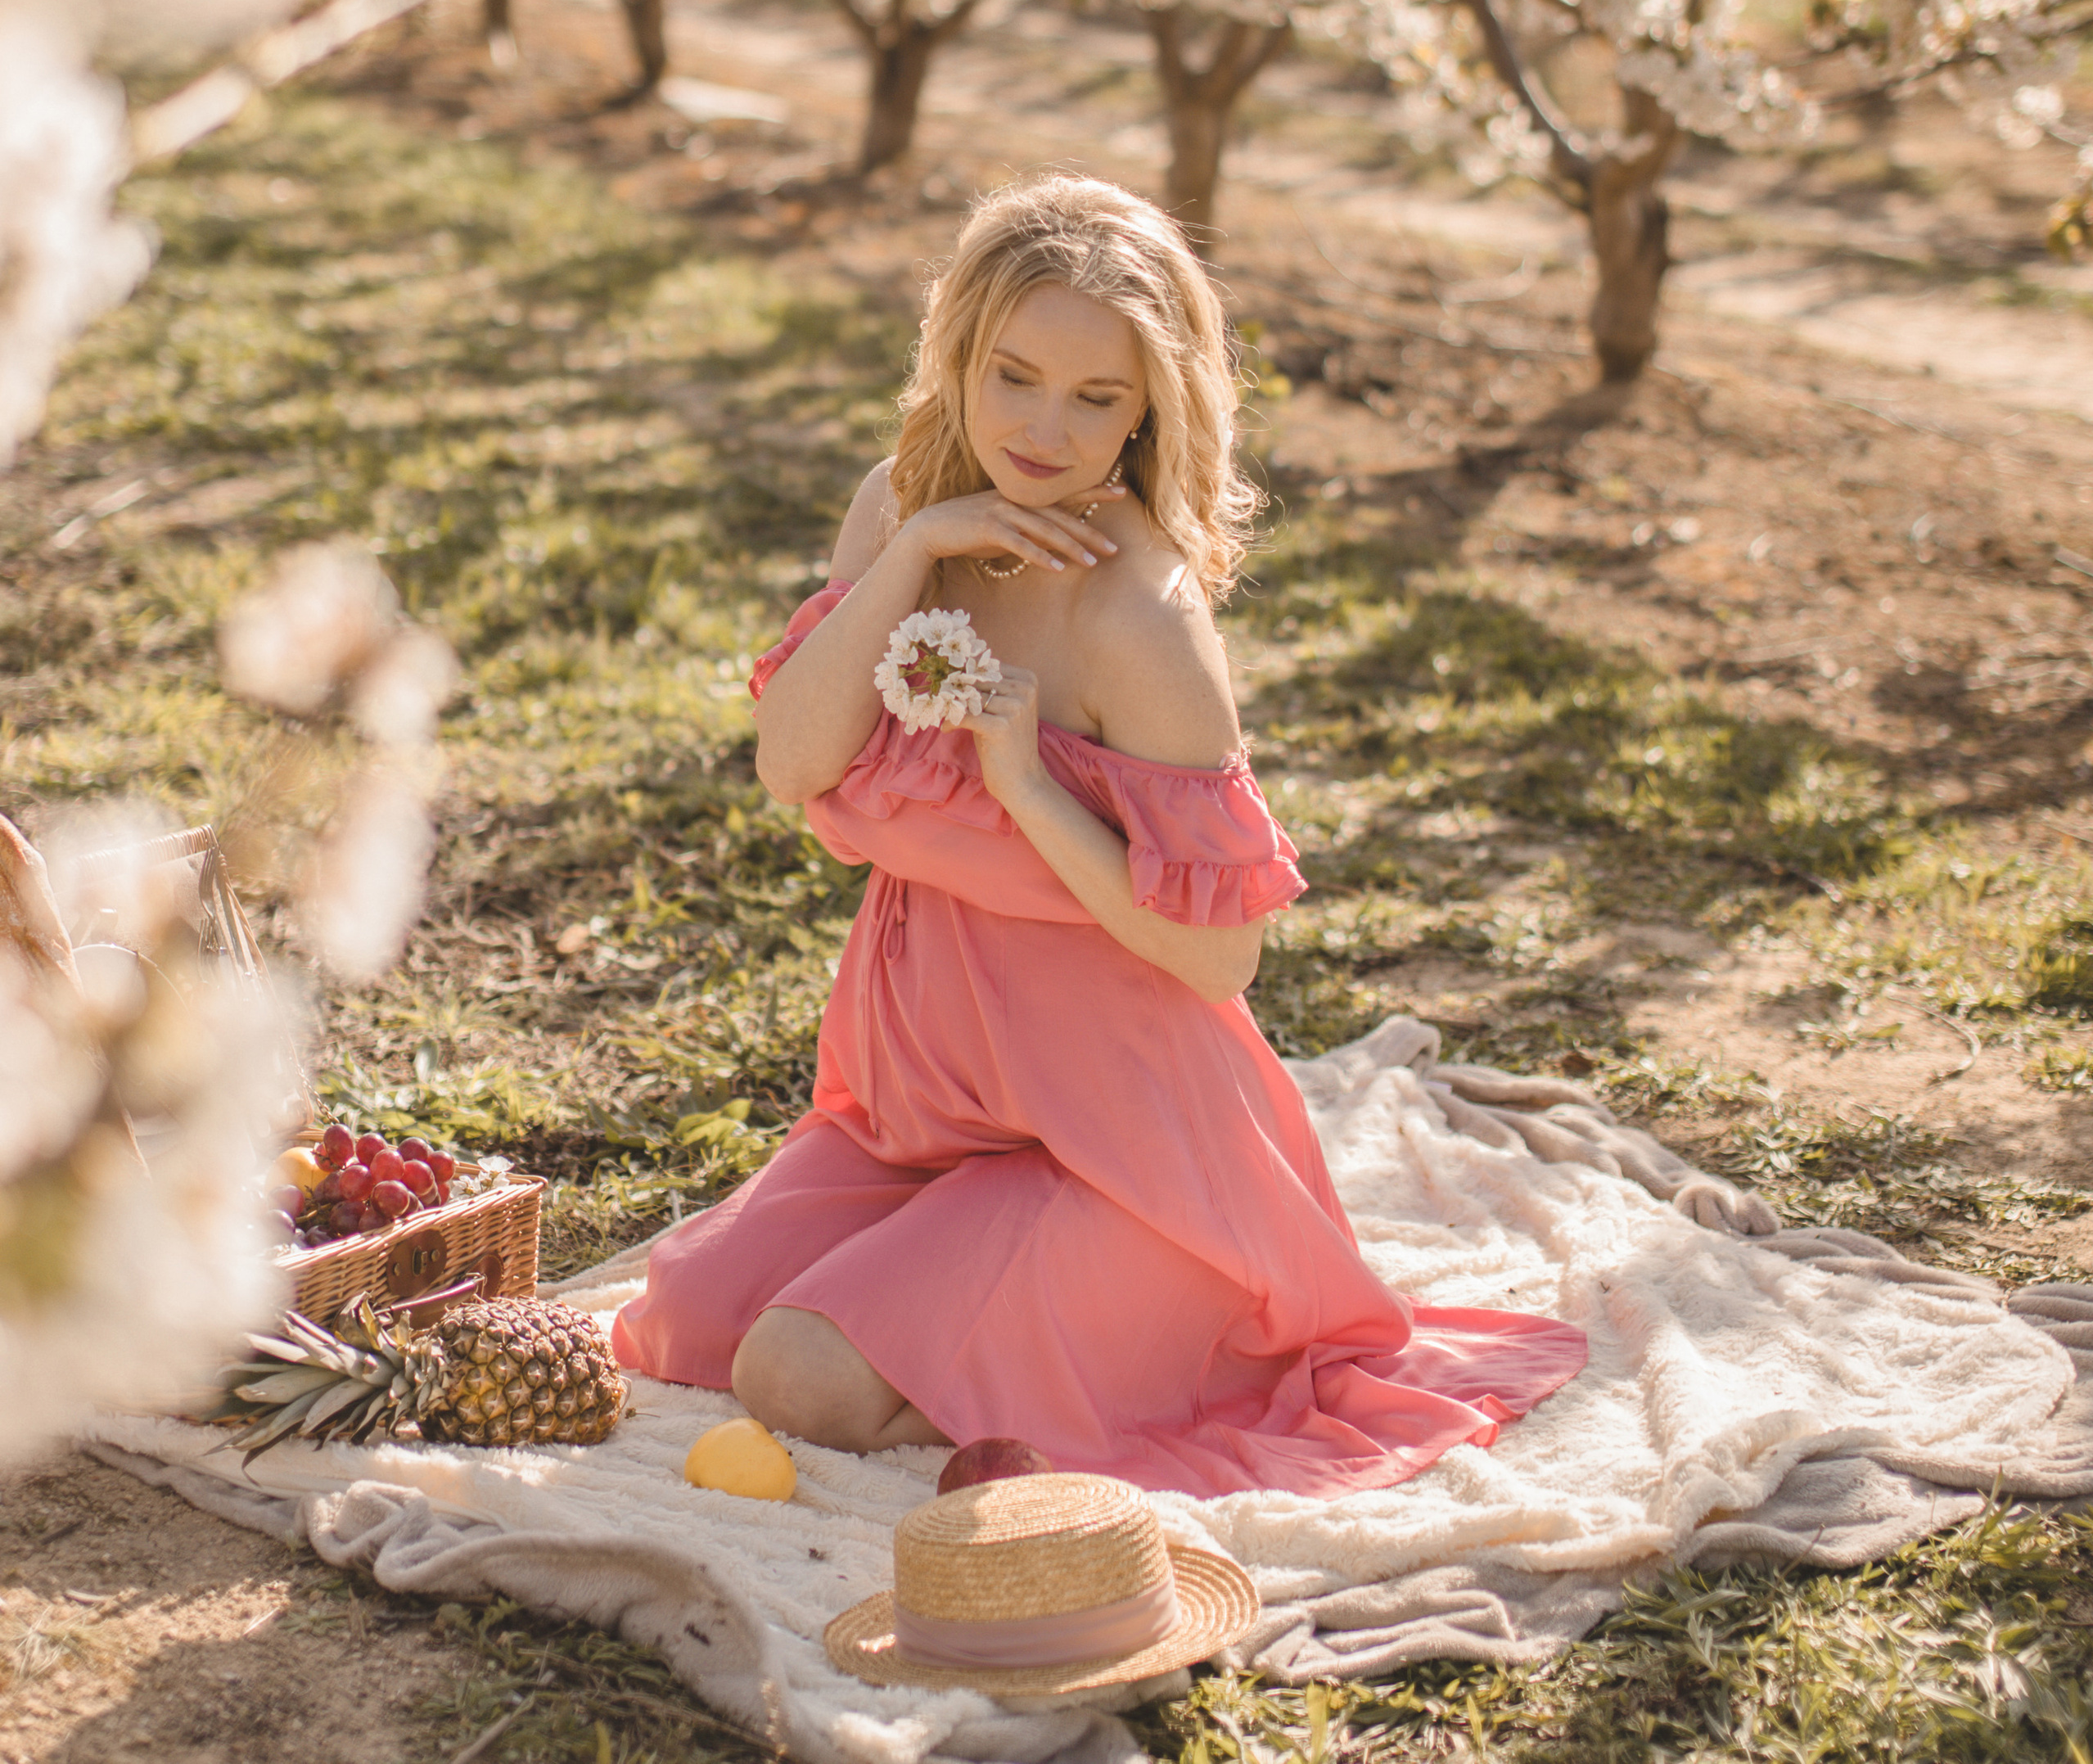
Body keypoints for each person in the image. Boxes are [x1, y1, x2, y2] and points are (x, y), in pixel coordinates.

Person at [612, 174, 1585, 1495]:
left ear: (1150, 410)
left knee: (800, 1376)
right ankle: (964, 1279)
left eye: (1097, 399)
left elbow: (1221, 960)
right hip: (926, 1108)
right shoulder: (899, 508)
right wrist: (913, 552)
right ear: (956, 352)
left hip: (1119, 1141)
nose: (1043, 431)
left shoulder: (1142, 617)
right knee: (690, 1326)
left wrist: (1024, 786)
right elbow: (795, 761)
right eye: (1011, 377)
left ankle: (1162, 1327)